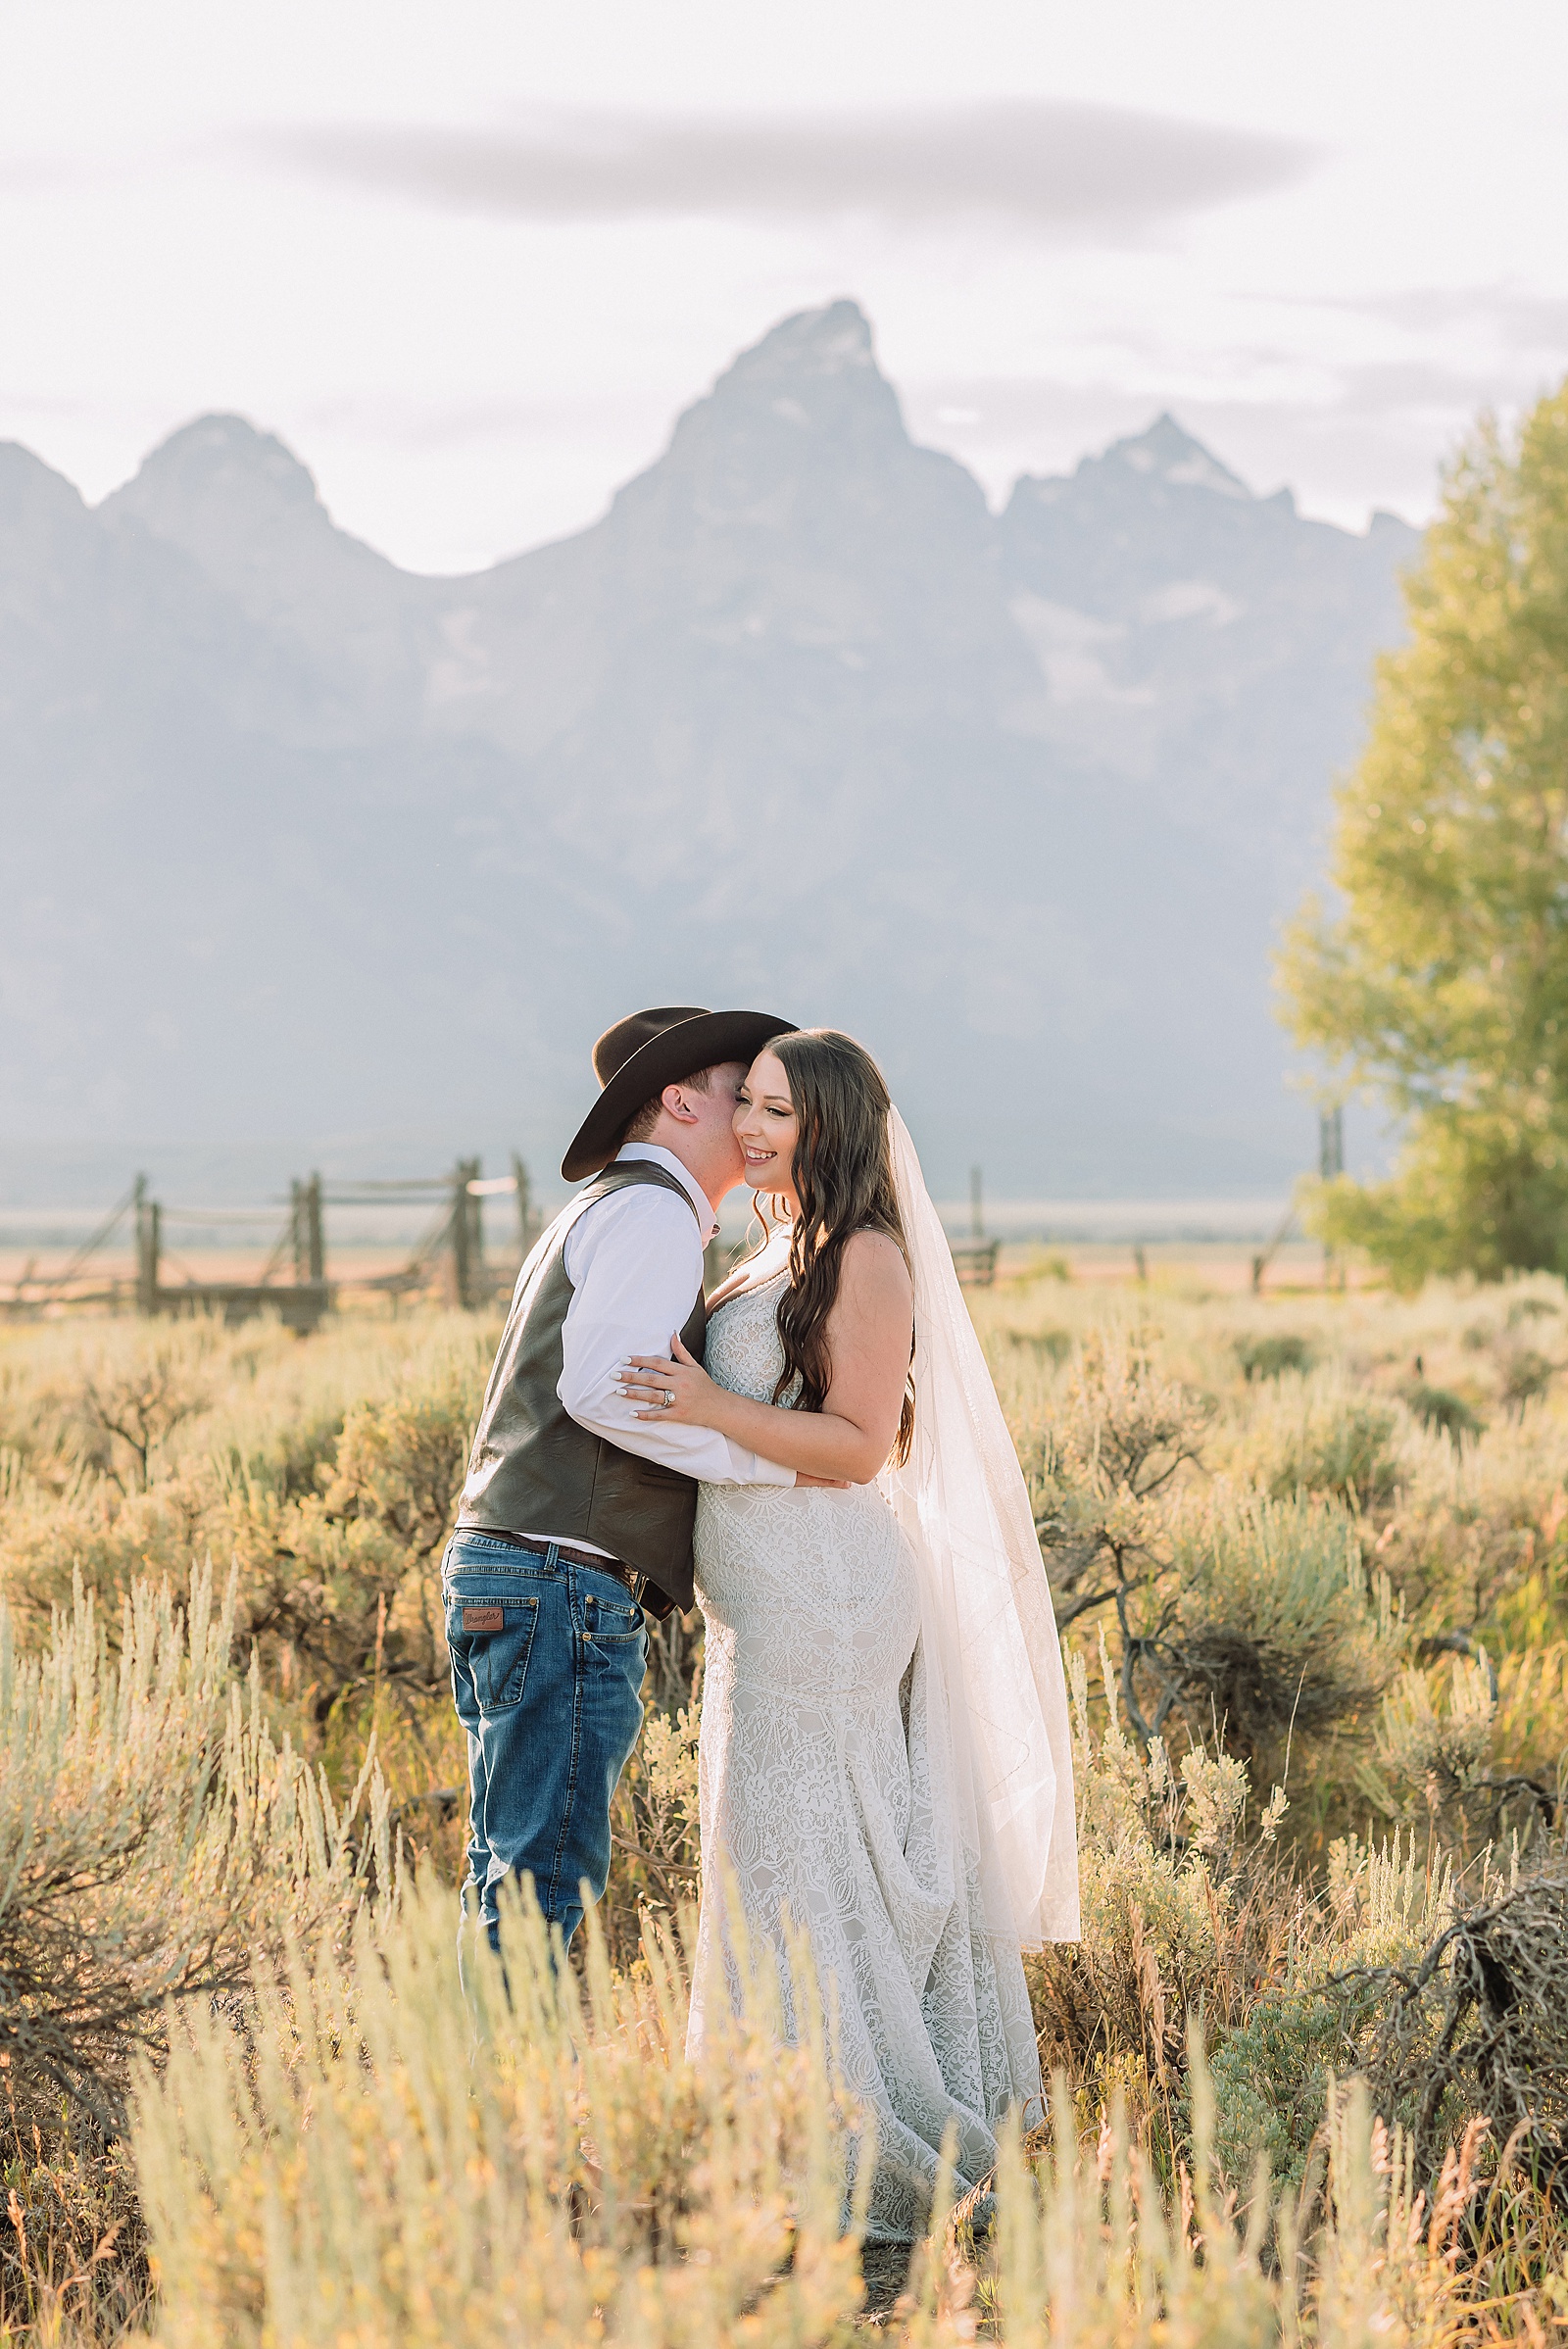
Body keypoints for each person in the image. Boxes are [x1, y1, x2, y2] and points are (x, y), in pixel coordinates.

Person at [620, 1028, 1080, 2241]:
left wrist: (707, 1402)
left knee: (799, 1866)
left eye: (778, 1112)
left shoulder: (865, 1256)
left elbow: (861, 1444)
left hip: (825, 1601)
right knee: (775, 1863)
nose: (752, 1128)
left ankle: (845, 2143)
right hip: (762, 1605)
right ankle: (772, 2130)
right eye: (749, 1105)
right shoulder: (775, 1245)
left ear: (830, 1126)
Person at [443, 1003, 816, 1952]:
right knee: (538, 1882)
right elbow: (601, 1390)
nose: (755, 1119)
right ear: (679, 1101)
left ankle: (489, 2053)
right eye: (741, 1095)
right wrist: (757, 1462)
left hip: (518, 1569)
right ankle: (512, 2056)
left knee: (506, 1872)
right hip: (559, 1580)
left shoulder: (611, 1205)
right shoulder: (651, 1213)